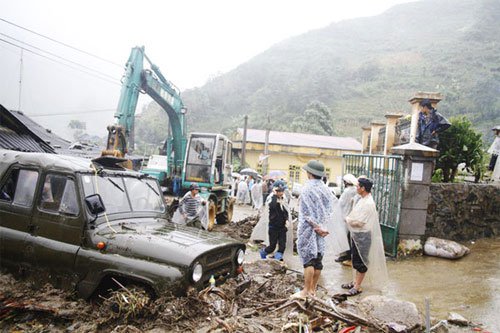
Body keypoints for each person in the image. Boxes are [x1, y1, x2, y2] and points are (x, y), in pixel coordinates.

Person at [292, 160, 335, 299]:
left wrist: (315, 227)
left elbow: (306, 213)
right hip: (322, 228)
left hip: (309, 229)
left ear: (309, 173)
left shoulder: (307, 188)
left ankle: (305, 291)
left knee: (308, 260)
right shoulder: (326, 189)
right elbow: (330, 210)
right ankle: (312, 290)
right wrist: (323, 227)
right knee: (318, 259)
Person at [342, 177, 388, 296]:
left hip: (362, 235)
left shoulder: (368, 203)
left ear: (363, 188)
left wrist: (348, 220)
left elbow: (360, 223)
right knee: (356, 259)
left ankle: (357, 286)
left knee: (361, 262)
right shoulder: (362, 199)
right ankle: (354, 282)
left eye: (358, 186)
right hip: (357, 235)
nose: (356, 188)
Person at [258, 181, 290, 261]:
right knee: (272, 246)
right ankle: (263, 253)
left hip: (282, 227)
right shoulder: (271, 198)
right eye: (279, 191)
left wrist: (286, 220)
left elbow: (285, 211)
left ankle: (278, 259)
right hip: (273, 226)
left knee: (282, 245)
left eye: (282, 191)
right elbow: (272, 206)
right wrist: (275, 196)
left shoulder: (284, 199)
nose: (281, 193)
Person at [334, 174, 359, 264]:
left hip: (345, 216)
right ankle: (347, 256)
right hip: (352, 216)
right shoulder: (356, 190)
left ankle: (346, 256)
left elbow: (340, 204)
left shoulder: (347, 191)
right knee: (349, 237)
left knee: (345, 237)